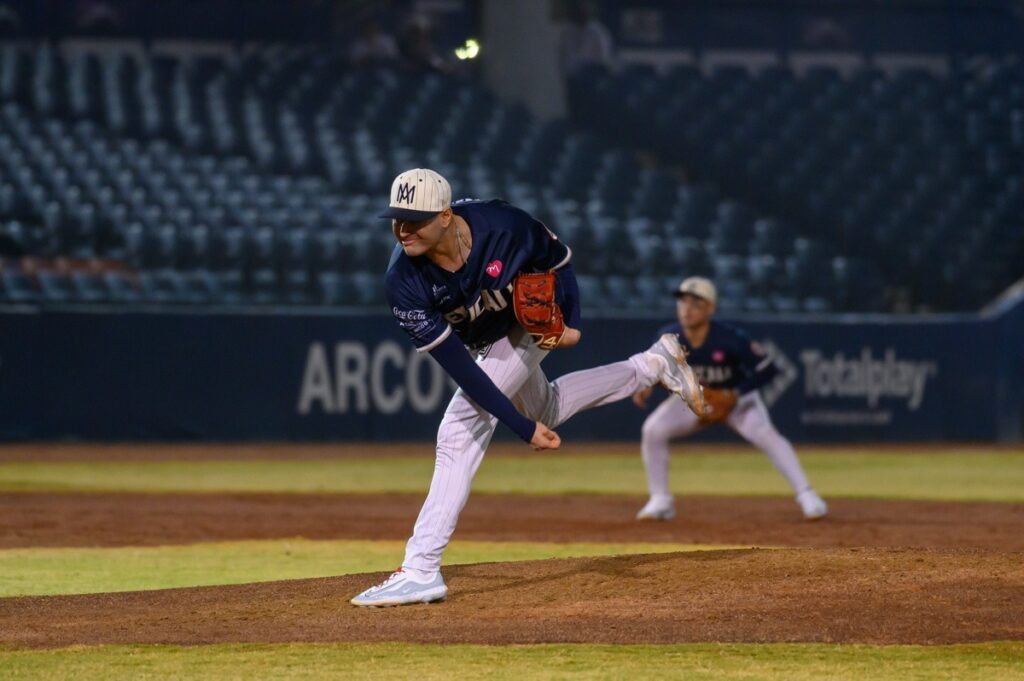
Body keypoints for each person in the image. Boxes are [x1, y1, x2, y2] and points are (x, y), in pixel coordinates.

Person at [350, 168, 705, 607]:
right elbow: (464, 370)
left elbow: (559, 261)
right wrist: (522, 425)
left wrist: (572, 322)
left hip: (525, 325)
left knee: (458, 430)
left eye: (415, 219)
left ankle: (421, 568)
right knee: (549, 408)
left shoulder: (502, 225)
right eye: (396, 219)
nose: (403, 230)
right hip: (481, 344)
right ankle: (654, 364)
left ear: (444, 215)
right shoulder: (403, 281)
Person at [632, 277, 828, 522]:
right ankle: (660, 500)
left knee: (766, 434)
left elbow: (768, 369)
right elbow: (653, 367)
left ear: (710, 308)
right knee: (653, 430)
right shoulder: (667, 337)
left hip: (736, 400)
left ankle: (807, 495)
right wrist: (645, 385)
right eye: (683, 302)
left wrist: (736, 394)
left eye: (696, 303)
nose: (686, 309)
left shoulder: (731, 338)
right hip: (694, 401)